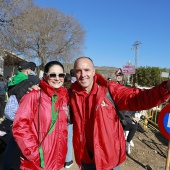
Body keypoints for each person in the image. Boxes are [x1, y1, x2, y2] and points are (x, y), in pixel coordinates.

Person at [29, 57, 170, 170]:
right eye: (78, 71)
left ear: (94, 71)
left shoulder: (110, 90)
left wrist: (166, 88)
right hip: (86, 159)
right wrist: (40, 90)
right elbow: (54, 104)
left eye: (86, 70)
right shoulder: (70, 94)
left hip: (109, 158)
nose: (83, 75)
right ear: (74, 73)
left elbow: (138, 98)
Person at [12, 61, 69, 170]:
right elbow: (19, 126)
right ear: (45, 76)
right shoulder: (33, 95)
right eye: (53, 75)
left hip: (57, 160)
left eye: (61, 75)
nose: (57, 78)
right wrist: (33, 153)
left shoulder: (64, 97)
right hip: (36, 163)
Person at [2, 61, 40, 170]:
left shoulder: (14, 79)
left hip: (11, 111)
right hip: (18, 114)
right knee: (15, 141)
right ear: (28, 70)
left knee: (14, 139)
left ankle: (8, 164)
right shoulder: (27, 81)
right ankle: (8, 165)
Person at [64, 69, 76, 168]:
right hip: (70, 118)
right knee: (69, 139)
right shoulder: (75, 87)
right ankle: (68, 160)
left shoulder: (60, 88)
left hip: (61, 117)